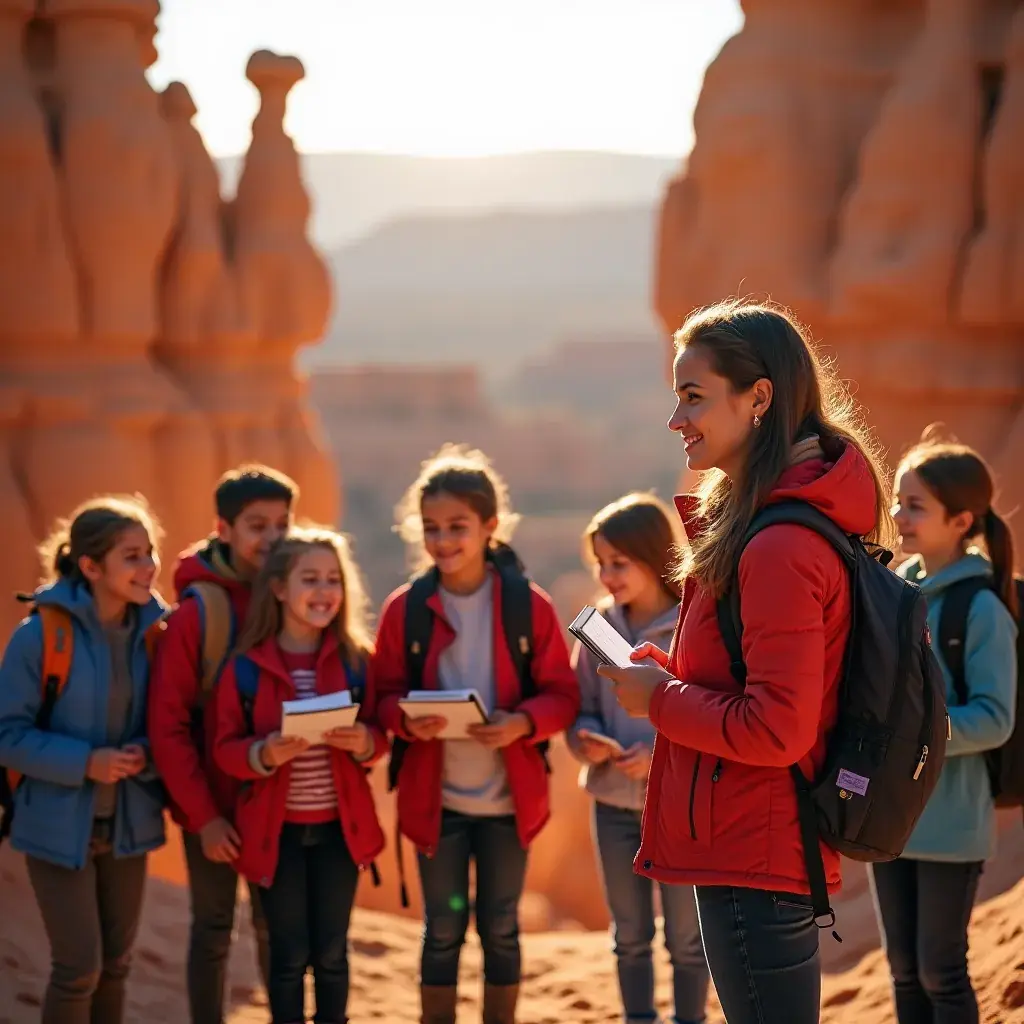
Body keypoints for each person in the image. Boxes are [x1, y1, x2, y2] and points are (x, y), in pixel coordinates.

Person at [598, 299, 897, 1024]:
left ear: (758, 397)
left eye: (693, 396)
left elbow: (777, 728)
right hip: (749, 841)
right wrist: (666, 675)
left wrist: (659, 700)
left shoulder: (779, 546)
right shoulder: (767, 528)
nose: (677, 419)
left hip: (751, 849)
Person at [373, 444, 580, 1024]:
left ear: (490, 526)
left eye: (457, 527)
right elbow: (381, 696)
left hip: (507, 802)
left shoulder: (527, 607)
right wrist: (405, 720)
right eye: (431, 528)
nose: (443, 541)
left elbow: (562, 696)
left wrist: (521, 723)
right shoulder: (404, 610)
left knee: (501, 926)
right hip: (434, 800)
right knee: (441, 927)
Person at [0, 496, 168, 1024]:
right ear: (91, 566)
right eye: (132, 556)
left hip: (128, 824)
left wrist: (147, 753)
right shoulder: (40, 637)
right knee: (78, 969)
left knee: (116, 966)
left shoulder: (156, 635)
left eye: (150, 552)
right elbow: (8, 735)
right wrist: (86, 762)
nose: (148, 567)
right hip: (54, 825)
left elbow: (172, 723)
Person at [870, 432, 1017, 1024]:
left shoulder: (980, 611)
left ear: (961, 521)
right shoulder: (894, 592)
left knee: (941, 973)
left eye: (916, 506)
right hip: (887, 821)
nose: (899, 516)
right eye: (899, 501)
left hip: (952, 824)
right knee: (903, 974)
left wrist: (921, 733)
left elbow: (996, 718)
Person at [213, 527, 385, 1024]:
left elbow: (380, 730)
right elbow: (223, 748)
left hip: (339, 830)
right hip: (276, 833)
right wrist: (264, 753)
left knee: (332, 953)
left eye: (334, 579)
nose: (324, 591)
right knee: (287, 957)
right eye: (309, 578)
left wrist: (366, 741)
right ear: (279, 588)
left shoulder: (357, 661)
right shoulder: (245, 667)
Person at [148, 464, 296, 1023]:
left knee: (277, 928)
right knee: (213, 929)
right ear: (223, 528)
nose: (272, 538)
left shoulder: (291, 595)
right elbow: (168, 726)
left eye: (283, 524)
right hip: (209, 804)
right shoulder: (197, 615)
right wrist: (205, 817)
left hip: (278, 801)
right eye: (257, 525)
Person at [566, 492, 710, 1024]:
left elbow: (706, 713)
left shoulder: (691, 626)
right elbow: (580, 709)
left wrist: (655, 755)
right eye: (600, 564)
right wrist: (585, 739)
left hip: (675, 806)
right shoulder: (596, 629)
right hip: (611, 806)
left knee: (687, 939)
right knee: (629, 936)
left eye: (619, 563)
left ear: (653, 557)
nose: (606, 575)